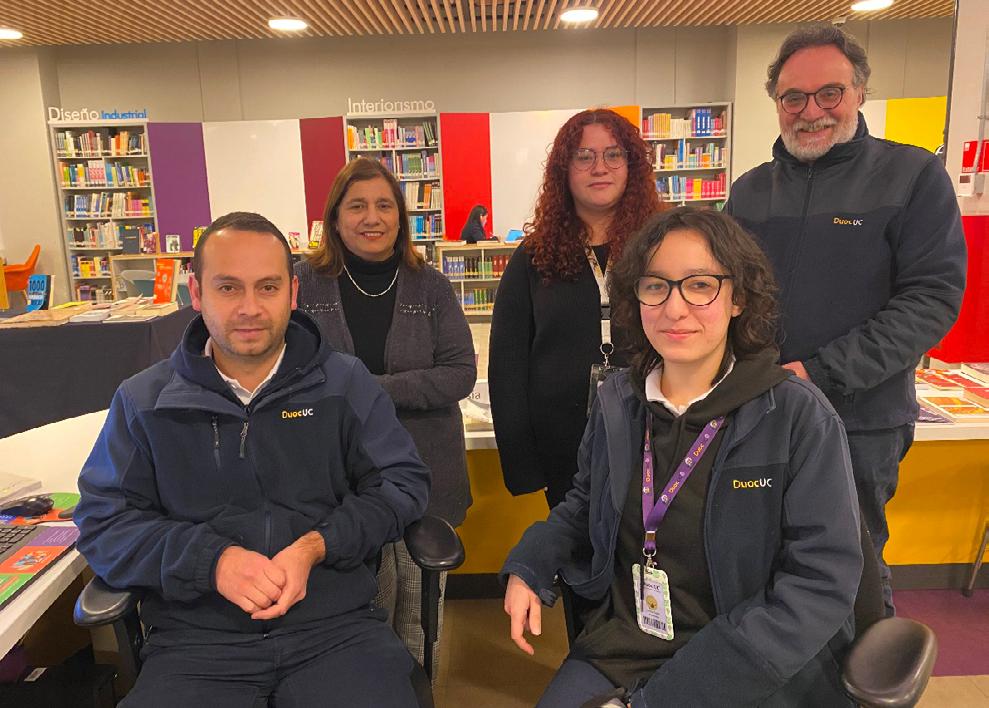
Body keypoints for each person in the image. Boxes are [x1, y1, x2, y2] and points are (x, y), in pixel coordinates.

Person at [502, 207, 863, 707]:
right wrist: (531, 563)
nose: (674, 308)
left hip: (750, 664)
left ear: (738, 298)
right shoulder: (618, 401)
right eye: (656, 286)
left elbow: (819, 583)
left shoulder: (795, 416)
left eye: (699, 286)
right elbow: (583, 506)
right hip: (626, 646)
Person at [75, 211, 429, 707]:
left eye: (267, 287)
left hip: (334, 631)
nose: (249, 308)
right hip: (196, 642)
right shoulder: (144, 401)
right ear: (196, 293)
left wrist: (316, 546)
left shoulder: (345, 384)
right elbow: (102, 522)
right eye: (228, 288)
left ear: (292, 293)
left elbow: (403, 483)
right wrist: (212, 562)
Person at [724, 24, 967, 614]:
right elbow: (725, 297)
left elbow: (931, 298)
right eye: (793, 97)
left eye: (828, 93)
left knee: (850, 564)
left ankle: (863, 670)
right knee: (759, 560)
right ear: (777, 103)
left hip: (860, 421)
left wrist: (820, 373)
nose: (811, 111)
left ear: (859, 92)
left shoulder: (912, 176)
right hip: (759, 411)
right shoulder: (749, 192)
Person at [295, 157, 476, 668]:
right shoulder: (303, 284)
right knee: (362, 610)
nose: (371, 218)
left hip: (427, 468)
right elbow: (289, 372)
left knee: (420, 616)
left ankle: (417, 690)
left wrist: (369, 389)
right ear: (335, 218)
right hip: (337, 476)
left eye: (383, 205)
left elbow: (460, 373)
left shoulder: (431, 286)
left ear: (401, 218)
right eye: (357, 206)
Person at [489, 108, 662, 509]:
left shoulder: (661, 246)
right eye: (583, 156)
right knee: (573, 541)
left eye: (613, 154)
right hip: (561, 448)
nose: (599, 167)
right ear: (563, 171)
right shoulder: (533, 257)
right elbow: (507, 364)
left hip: (653, 434)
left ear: (631, 165)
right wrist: (522, 464)